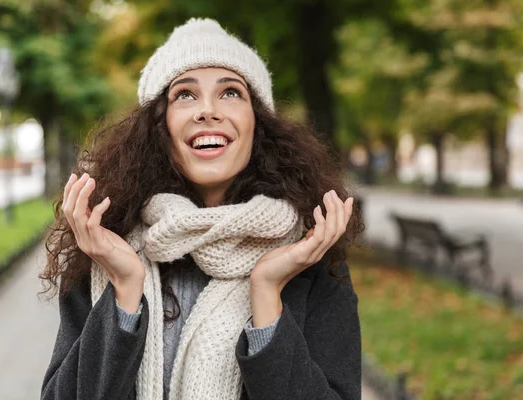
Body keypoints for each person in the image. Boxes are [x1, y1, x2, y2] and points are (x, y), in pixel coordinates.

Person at [40, 17, 365, 400]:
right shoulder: (106, 247)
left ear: (257, 124)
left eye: (230, 93)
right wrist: (125, 289)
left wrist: (267, 295)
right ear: (158, 127)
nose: (207, 111)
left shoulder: (309, 255)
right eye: (184, 95)